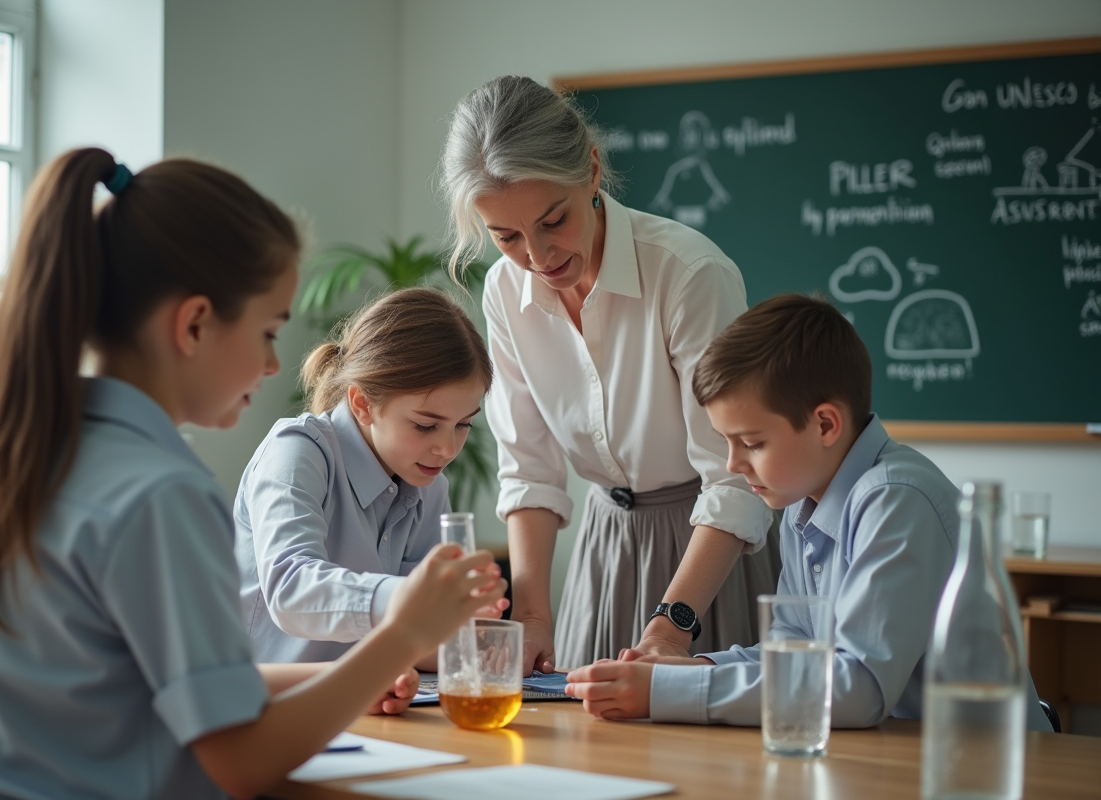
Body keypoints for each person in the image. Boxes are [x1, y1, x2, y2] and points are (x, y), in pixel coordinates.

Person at [0, 148, 506, 800]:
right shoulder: (161, 495)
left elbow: (142, 688)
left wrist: (359, 672)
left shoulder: (1, 462)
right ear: (194, 325)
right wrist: (405, 634)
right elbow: (242, 763)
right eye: (270, 332)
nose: (276, 367)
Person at [563, 294, 1052, 732]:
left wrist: (666, 694)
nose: (733, 464)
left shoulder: (897, 499)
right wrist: (689, 669)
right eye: (726, 443)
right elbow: (792, 656)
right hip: (894, 755)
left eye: (752, 443)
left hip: (981, 767)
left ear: (824, 424)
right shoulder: (802, 500)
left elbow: (859, 690)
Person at [440, 75, 780, 673]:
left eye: (553, 221)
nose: (539, 257)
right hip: (605, 547)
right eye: (507, 237)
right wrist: (534, 616)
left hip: (708, 554)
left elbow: (734, 478)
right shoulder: (503, 289)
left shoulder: (687, 273)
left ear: (592, 171)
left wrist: (673, 626)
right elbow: (530, 469)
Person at [235, 286, 503, 666]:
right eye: (426, 426)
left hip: (357, 702)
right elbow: (291, 590)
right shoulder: (296, 452)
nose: (448, 449)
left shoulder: (429, 486)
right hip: (261, 707)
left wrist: (473, 640)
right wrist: (413, 596)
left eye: (463, 425)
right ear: (362, 404)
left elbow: (413, 636)